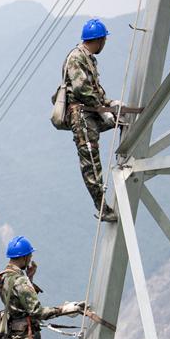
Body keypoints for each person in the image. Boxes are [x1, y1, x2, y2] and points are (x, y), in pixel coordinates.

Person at [62, 18, 122, 223]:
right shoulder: (76, 58)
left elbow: (94, 88)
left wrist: (108, 103)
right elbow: (81, 89)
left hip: (90, 112)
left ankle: (123, 156)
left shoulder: (89, 59)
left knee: (121, 119)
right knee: (91, 162)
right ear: (99, 40)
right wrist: (102, 108)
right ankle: (102, 206)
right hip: (82, 116)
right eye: (103, 40)